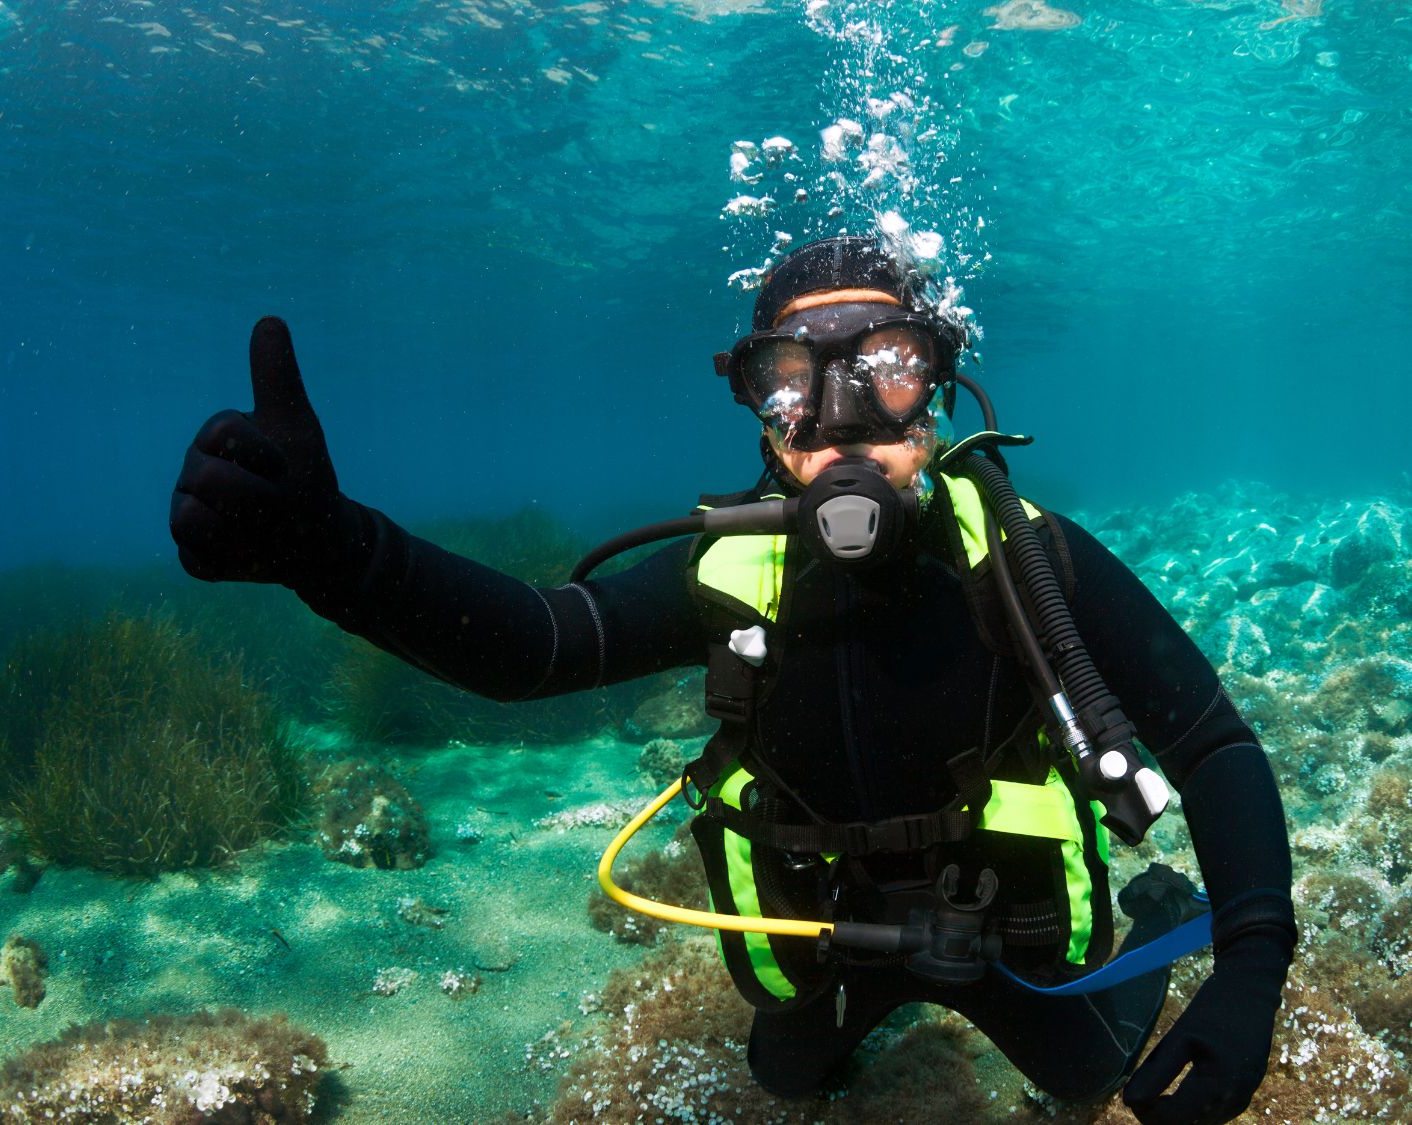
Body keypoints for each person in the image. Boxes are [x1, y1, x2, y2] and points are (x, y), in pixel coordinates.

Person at [171, 236, 1296, 1124]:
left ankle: (1158, 913)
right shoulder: (731, 568)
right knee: (789, 1083)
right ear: (758, 405)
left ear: (940, 388)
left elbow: (1213, 746)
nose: (843, 421)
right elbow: (532, 647)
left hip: (1008, 928)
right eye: (797, 382)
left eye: (888, 371)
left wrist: (1251, 957)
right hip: (824, 936)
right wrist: (335, 553)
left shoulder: (1028, 559)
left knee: (1083, 1075)